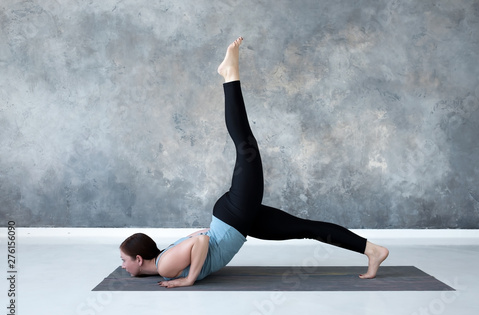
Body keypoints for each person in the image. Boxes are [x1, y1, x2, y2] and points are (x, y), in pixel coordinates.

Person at [119, 37, 389, 288]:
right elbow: (199, 238)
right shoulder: (165, 260)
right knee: (305, 228)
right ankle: (373, 251)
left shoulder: (166, 265)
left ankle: (230, 75)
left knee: (244, 143)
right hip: (237, 221)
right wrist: (208, 239)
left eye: (124, 260)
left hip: (234, 217)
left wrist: (189, 279)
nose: (123, 266)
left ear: (139, 259)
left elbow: (201, 241)